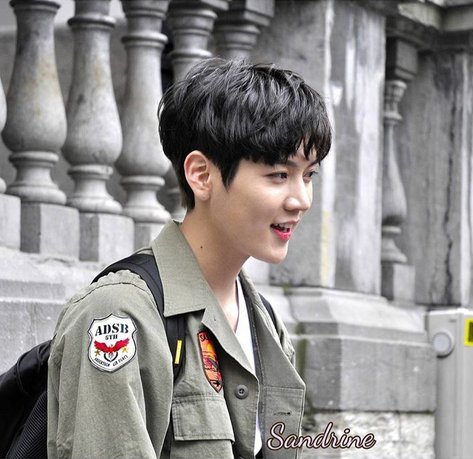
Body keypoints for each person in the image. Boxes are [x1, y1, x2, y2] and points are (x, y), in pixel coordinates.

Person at [47, 58, 332, 459]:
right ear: (201, 175)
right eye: (279, 175)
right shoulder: (120, 316)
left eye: (309, 175)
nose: (301, 200)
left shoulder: (263, 321)